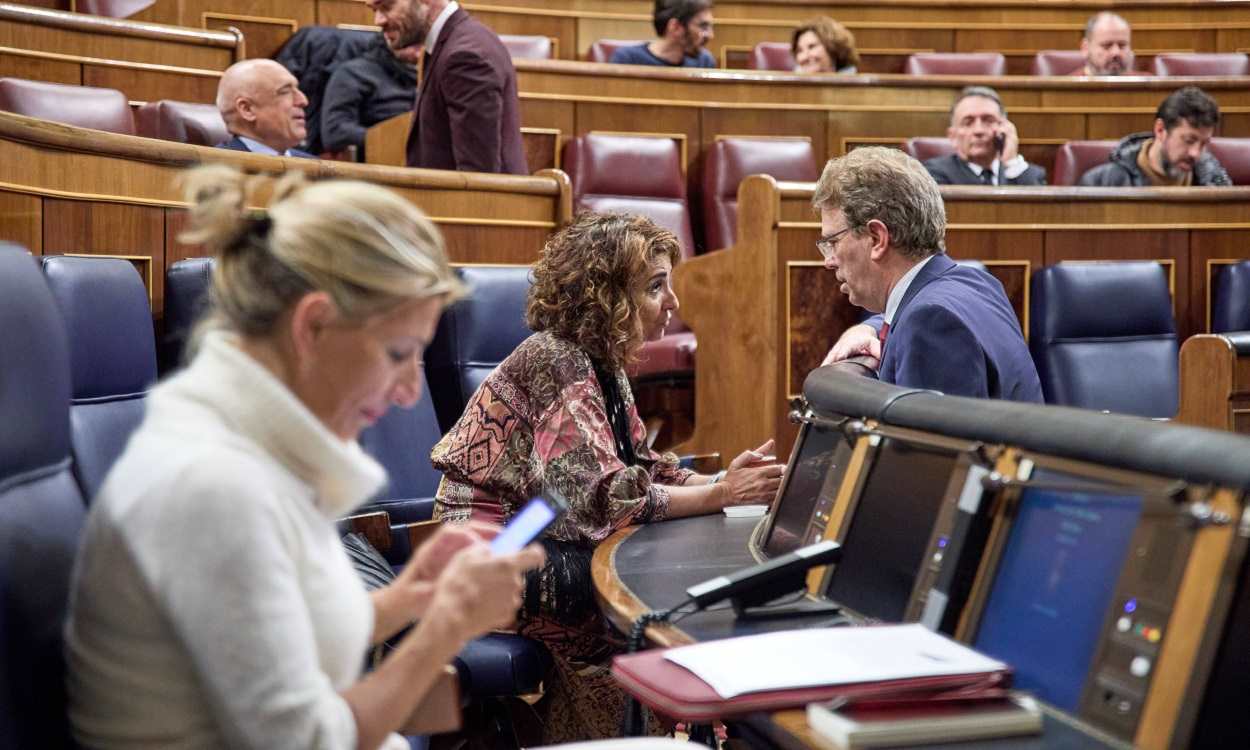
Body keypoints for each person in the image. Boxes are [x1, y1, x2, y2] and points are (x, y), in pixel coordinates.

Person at [64, 164, 546, 749]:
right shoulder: (214, 488)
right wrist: (445, 628)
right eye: (399, 353)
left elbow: (292, 633)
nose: (408, 392)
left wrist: (414, 595)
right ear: (313, 325)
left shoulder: (255, 449)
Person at [430, 212, 784, 742]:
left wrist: (717, 484)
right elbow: (605, 503)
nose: (673, 304)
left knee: (655, 576)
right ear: (607, 295)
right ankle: (636, 734)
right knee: (639, 600)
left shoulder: (603, 362)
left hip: (535, 528)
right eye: (655, 287)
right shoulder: (555, 360)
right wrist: (722, 495)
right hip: (493, 544)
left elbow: (640, 466)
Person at [817, 147, 1043, 403]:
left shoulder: (928, 323)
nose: (829, 261)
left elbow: (931, 443)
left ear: (877, 238)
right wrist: (868, 327)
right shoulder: (977, 283)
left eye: (833, 242)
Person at [368, 0, 527, 174]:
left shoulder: (465, 56)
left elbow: (478, 177)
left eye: (387, 7)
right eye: (375, 10)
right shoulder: (460, 39)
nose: (378, 20)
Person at [1079, 86, 1232, 187]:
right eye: (1189, 141)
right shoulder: (1101, 182)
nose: (1196, 153)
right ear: (1160, 130)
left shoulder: (1216, 183)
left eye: (1204, 144)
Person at [321, 32, 420, 160]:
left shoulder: (429, 72)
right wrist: (388, 138)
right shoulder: (353, 74)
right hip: (374, 166)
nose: (419, 50)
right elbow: (335, 131)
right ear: (388, 36)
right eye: (413, 43)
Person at [923, 86, 1047, 186]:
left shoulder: (1032, 175)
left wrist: (1011, 162)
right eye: (968, 122)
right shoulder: (933, 175)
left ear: (1005, 127)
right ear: (952, 136)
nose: (979, 130)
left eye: (988, 120)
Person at [215, 59, 315, 158]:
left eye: (297, 89)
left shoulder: (316, 167)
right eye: (285, 91)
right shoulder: (215, 167)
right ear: (247, 109)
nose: (303, 101)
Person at [609, 0, 716, 68]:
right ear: (675, 27)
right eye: (703, 26)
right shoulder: (627, 60)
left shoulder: (704, 62)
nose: (711, 35)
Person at [1070, 12, 1136, 76]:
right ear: (1085, 48)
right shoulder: (1067, 86)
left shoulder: (1144, 83)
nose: (1116, 52)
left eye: (1122, 45)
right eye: (1106, 45)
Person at [791, 17, 859, 74]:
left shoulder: (855, 86)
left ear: (832, 47)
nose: (804, 56)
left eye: (812, 47)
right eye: (799, 51)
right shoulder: (791, 84)